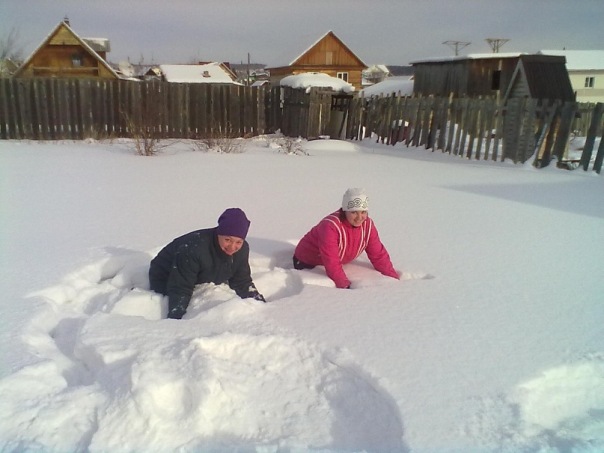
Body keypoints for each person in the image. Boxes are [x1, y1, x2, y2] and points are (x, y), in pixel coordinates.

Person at [149, 208, 265, 319]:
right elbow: (180, 287)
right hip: (167, 276)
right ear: (219, 233)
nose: (232, 247)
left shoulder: (242, 250)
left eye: (238, 242)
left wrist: (262, 306)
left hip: (201, 274)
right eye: (227, 240)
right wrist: (175, 318)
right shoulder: (195, 248)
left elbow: (242, 281)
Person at [293, 188, 400, 289]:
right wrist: (344, 285)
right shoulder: (330, 226)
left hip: (337, 261)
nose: (359, 218)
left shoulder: (368, 225)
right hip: (307, 262)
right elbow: (331, 261)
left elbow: (378, 255)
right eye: (354, 212)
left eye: (363, 212)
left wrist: (393, 277)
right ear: (345, 211)